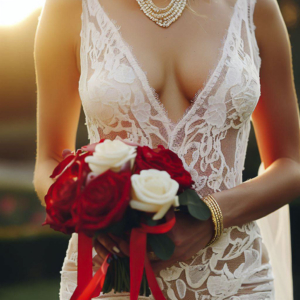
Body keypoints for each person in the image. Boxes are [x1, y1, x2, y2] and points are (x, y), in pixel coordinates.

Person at [33, 0, 300, 299]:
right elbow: (49, 161)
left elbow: (290, 164)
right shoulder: (69, 8)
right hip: (114, 276)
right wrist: (91, 215)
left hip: (233, 278)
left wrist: (210, 218)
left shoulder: (255, 7)